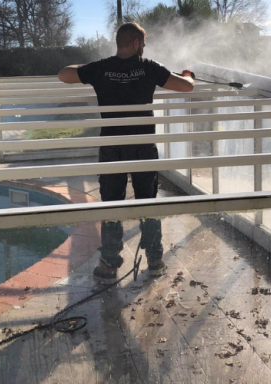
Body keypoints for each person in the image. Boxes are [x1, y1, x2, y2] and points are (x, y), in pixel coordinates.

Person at [57, 22, 195, 284]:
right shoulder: (149, 67)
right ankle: (155, 262)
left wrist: (89, 68)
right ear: (135, 44)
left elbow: (63, 74)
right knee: (147, 202)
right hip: (143, 146)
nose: (144, 47)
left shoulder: (101, 68)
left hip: (112, 146)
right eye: (143, 43)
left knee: (112, 204)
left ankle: (109, 266)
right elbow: (187, 87)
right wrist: (189, 74)